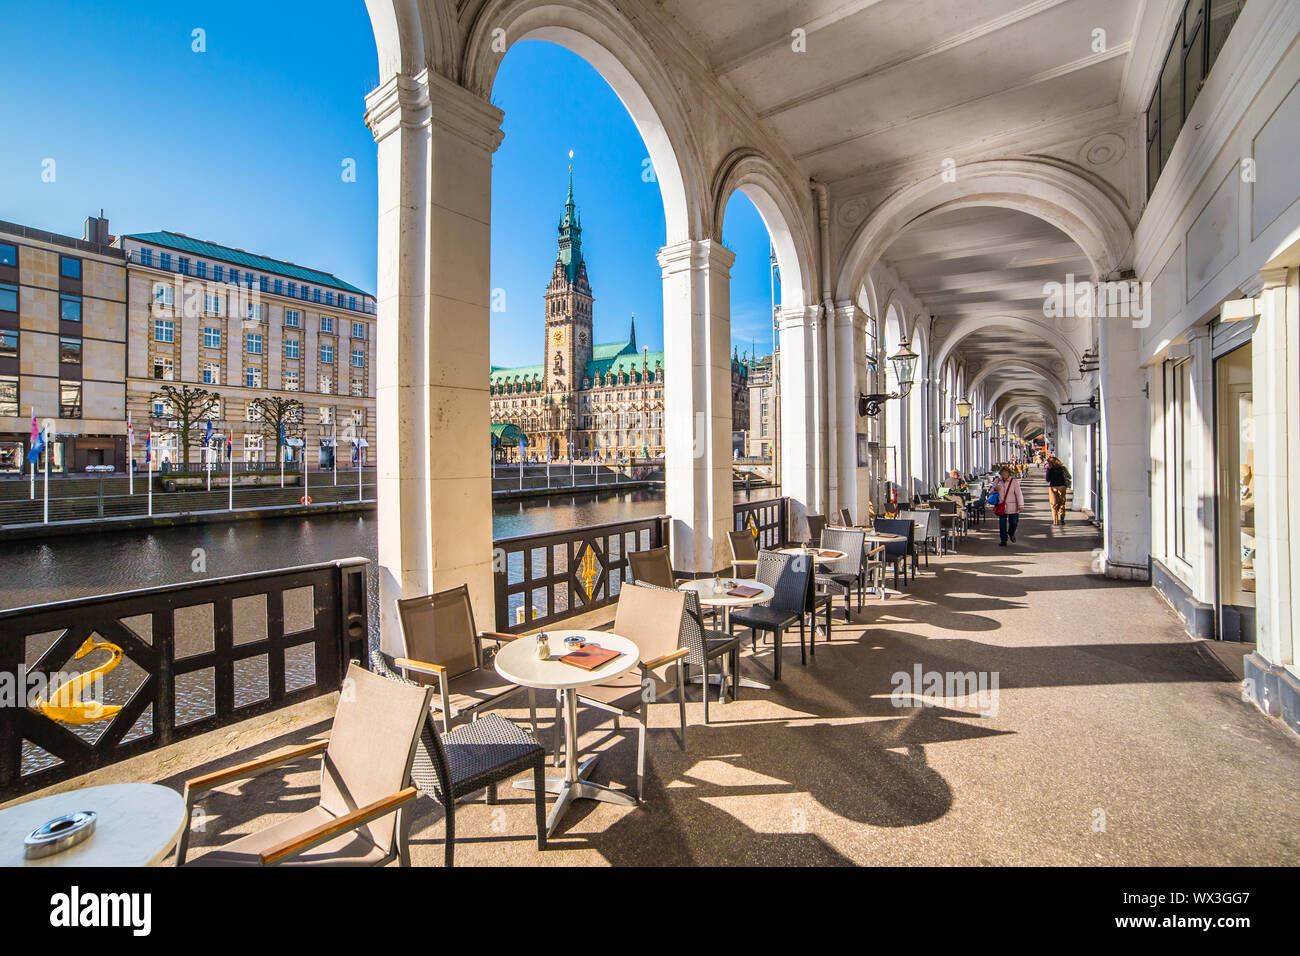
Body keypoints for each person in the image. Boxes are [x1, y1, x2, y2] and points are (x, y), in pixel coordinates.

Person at [990, 465, 1025, 546]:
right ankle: (1003, 540)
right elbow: (991, 491)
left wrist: (1021, 505)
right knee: (1002, 524)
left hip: (1013, 505)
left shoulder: (1014, 482)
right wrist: (995, 489)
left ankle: (1011, 532)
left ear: (1009, 473)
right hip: (1001, 506)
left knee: (1014, 522)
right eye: (1002, 473)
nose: (1004, 475)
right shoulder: (997, 481)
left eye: (1005, 473)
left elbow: (1019, 494)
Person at [1045, 455, 1071, 525]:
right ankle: (1062, 517)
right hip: (1062, 487)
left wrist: (1049, 470)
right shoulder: (1062, 468)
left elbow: (1047, 479)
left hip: (1053, 487)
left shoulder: (1049, 469)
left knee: (1054, 504)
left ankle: (1055, 521)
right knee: (1061, 503)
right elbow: (1069, 476)